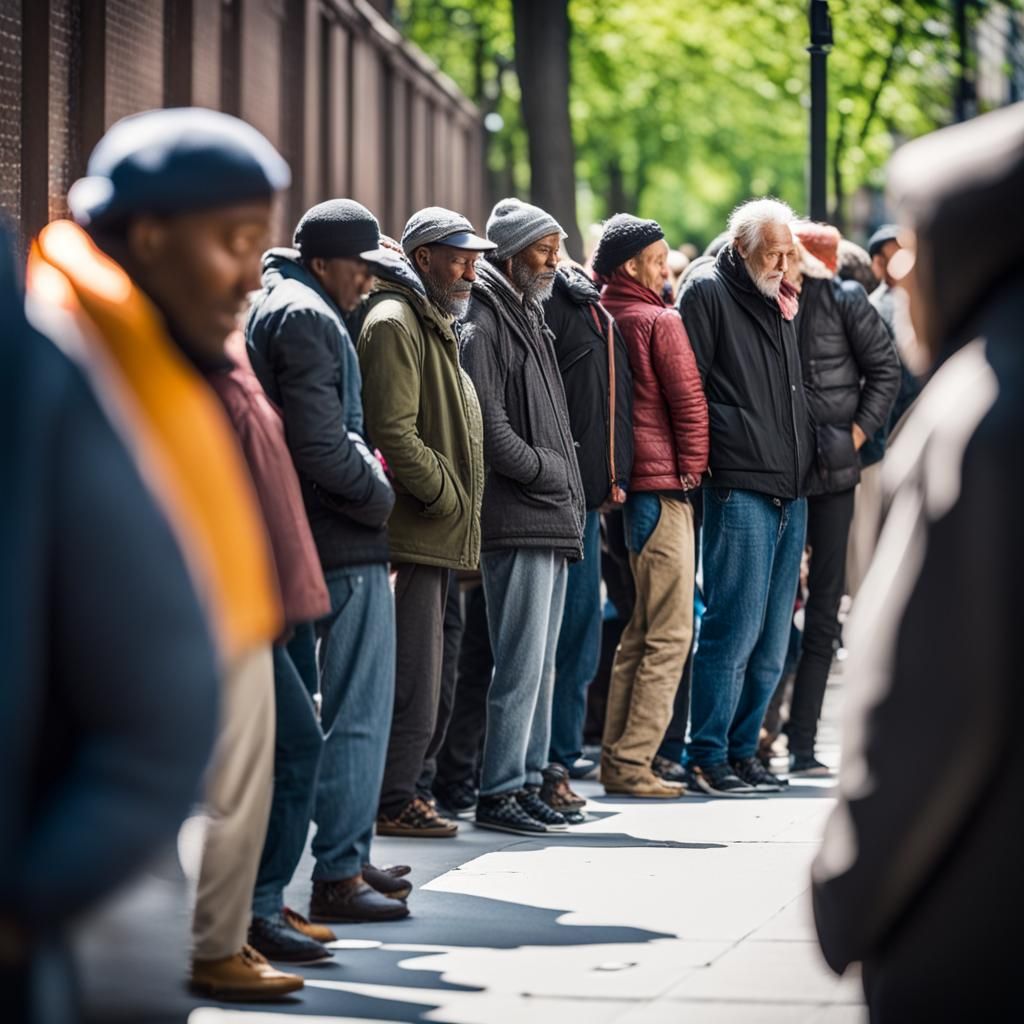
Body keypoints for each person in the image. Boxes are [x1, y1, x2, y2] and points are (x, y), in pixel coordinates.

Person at [27, 107, 298, 1000]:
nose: (253, 272)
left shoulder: (159, 352)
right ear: (146, 235)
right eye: (234, 240)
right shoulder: (52, 372)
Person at [813, 101, 1024, 1021]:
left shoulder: (981, 411)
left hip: (981, 924)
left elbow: (928, 703)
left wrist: (845, 893)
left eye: (911, 249)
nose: (897, 279)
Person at [0, 226, 220, 1022]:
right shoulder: (47, 354)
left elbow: (159, 716)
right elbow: (165, 712)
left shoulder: (29, 364)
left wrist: (31, 900)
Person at [246, 200, 406, 925]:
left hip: (303, 538)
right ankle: (338, 871)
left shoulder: (277, 304)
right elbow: (321, 444)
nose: (368, 282)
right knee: (358, 709)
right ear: (321, 262)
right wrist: (382, 495)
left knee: (316, 721)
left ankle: (345, 855)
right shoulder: (308, 316)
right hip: (339, 538)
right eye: (361, 267)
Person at [356, 207, 490, 838]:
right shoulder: (394, 319)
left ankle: (409, 789)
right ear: (423, 258)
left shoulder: (432, 317)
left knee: (437, 672)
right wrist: (447, 496)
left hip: (437, 534)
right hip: (416, 532)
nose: (469, 268)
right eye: (457, 256)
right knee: (415, 676)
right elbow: (393, 431)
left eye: (473, 258)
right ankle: (393, 798)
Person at [207, 331, 338, 964]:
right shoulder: (182, 355)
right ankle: (242, 923)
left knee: (287, 747)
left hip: (265, 592)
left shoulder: (223, 348)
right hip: (231, 597)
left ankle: (255, 912)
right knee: (290, 747)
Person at [461, 198, 586, 835]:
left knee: (543, 661)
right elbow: (487, 423)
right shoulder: (486, 322)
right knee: (519, 662)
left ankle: (529, 779)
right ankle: (501, 788)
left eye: (557, 246)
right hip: (520, 514)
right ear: (511, 254)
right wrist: (546, 470)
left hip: (547, 514)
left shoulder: (527, 314)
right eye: (543, 249)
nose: (554, 260)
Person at [678, 197, 810, 797]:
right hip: (739, 484)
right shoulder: (706, 290)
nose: (784, 262)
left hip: (790, 486)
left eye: (789, 252)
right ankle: (706, 752)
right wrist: (715, 459)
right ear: (740, 249)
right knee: (733, 626)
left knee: (773, 635)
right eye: (773, 252)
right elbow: (689, 389)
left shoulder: (780, 296)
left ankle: (744, 748)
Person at [592, 214, 708, 797]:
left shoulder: (602, 311)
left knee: (639, 630)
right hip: (664, 492)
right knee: (669, 633)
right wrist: (691, 474)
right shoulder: (660, 319)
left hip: (628, 494)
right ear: (633, 265)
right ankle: (635, 762)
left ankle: (618, 758)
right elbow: (689, 404)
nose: (667, 267)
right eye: (658, 259)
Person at [781, 222, 899, 775]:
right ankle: (757, 738)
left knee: (825, 606)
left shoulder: (845, 300)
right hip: (776, 472)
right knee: (773, 606)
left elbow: (885, 370)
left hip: (831, 472)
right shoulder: (766, 301)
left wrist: (851, 436)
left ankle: (801, 743)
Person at [542, 260, 634, 813]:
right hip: (553, 493)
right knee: (554, 642)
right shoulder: (545, 306)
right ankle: (543, 767)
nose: (554, 259)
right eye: (544, 249)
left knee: (578, 639)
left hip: (585, 495)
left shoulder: (585, 306)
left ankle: (558, 760)